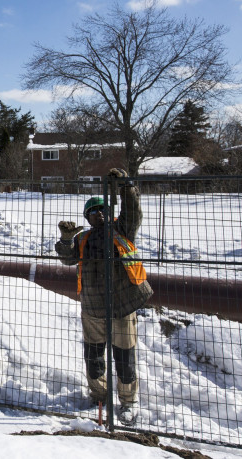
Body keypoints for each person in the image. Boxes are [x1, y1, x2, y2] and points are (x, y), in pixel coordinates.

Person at [55, 168, 153, 426]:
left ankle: (128, 401)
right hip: (92, 308)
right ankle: (99, 395)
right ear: (87, 218)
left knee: (124, 356)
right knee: (94, 356)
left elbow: (133, 211)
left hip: (122, 306)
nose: (99, 214)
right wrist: (66, 239)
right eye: (93, 212)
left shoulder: (122, 230)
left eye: (102, 210)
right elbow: (67, 260)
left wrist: (125, 186)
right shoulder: (82, 239)